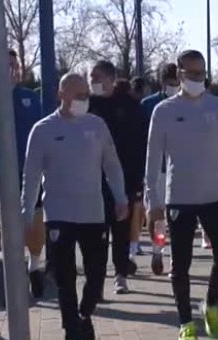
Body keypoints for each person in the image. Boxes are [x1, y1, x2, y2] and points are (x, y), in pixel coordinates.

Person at [21, 73, 129, 340]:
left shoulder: (97, 126)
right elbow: (31, 174)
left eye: (86, 95)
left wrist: (121, 198)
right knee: (64, 278)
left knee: (96, 275)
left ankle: (84, 312)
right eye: (78, 95)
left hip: (93, 213)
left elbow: (112, 165)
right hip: (58, 215)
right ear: (62, 95)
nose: (83, 100)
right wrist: (26, 212)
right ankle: (72, 329)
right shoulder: (43, 130)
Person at [145, 50, 218, 340]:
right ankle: (186, 322)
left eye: (202, 73)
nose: (198, 79)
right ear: (180, 74)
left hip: (215, 195)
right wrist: (153, 202)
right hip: (180, 197)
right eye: (192, 74)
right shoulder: (164, 111)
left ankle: (210, 306)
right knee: (180, 265)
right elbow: (152, 159)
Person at [0, 49, 46, 298]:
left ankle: (35, 266)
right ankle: (14, 276)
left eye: (15, 65)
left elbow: (41, 128)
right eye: (6, 66)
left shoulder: (30, 96)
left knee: (35, 219)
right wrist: (3, 90)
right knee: (10, 224)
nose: (13, 69)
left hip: (31, 169)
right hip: (4, 172)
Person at [89, 60, 148, 294]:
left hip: (123, 179)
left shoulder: (130, 106)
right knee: (96, 234)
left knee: (121, 229)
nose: (93, 82)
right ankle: (96, 280)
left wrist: (136, 183)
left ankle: (121, 273)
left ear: (111, 79)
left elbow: (140, 144)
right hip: (92, 180)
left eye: (97, 77)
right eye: (90, 77)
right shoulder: (87, 105)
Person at [140, 63, 180, 275]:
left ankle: (176, 258)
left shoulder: (185, 103)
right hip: (156, 169)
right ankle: (158, 250)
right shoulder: (149, 105)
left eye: (177, 83)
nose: (175, 87)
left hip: (179, 168)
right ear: (163, 83)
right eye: (171, 83)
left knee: (177, 216)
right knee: (157, 216)